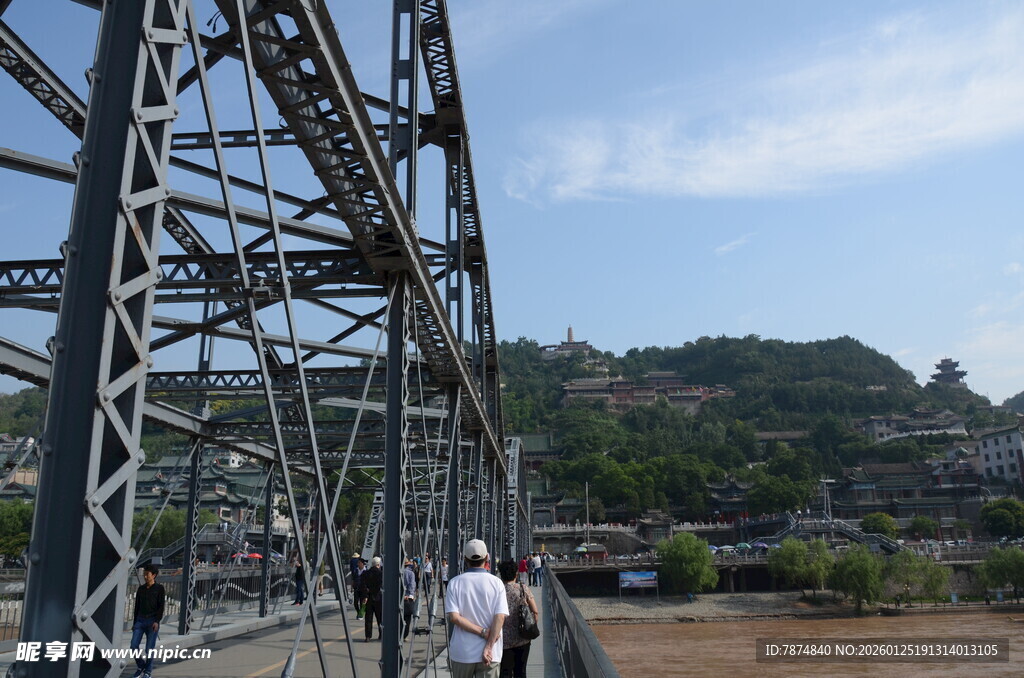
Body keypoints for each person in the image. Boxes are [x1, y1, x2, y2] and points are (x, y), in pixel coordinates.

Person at [445, 539, 508, 677]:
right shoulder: (497, 583)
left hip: (463, 651)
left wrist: (482, 632)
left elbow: (454, 617)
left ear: (465, 558)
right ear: (487, 557)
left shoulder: (454, 583)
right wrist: (489, 646)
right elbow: (500, 617)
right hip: (491, 654)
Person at [497, 559, 538, 678]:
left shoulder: (498, 590)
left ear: (501, 574)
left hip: (503, 640)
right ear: (516, 574)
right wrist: (532, 626)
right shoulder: (522, 588)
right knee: (521, 671)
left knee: (505, 672)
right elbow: (535, 611)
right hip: (523, 637)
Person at [130, 564, 165, 678]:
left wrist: (157, 621)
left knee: (149, 648)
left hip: (152, 621)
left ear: (154, 575)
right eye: (144, 574)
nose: (145, 577)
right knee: (133, 646)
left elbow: (161, 606)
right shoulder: (141, 589)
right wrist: (135, 622)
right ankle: (141, 666)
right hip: (140, 620)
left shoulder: (160, 589)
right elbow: (137, 606)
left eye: (147, 574)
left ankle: (148, 672)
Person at [360, 556, 383, 641]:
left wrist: (365, 595)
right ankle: (381, 634)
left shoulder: (365, 573)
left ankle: (368, 636)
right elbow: (381, 586)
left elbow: (363, 586)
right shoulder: (381, 573)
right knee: (380, 618)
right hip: (378, 597)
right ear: (378, 564)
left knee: (368, 618)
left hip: (368, 598)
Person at [403, 558, 417, 639]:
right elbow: (412, 585)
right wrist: (411, 595)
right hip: (407, 598)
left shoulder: (394, 572)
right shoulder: (410, 573)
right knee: (407, 618)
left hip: (398, 598)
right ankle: (404, 635)